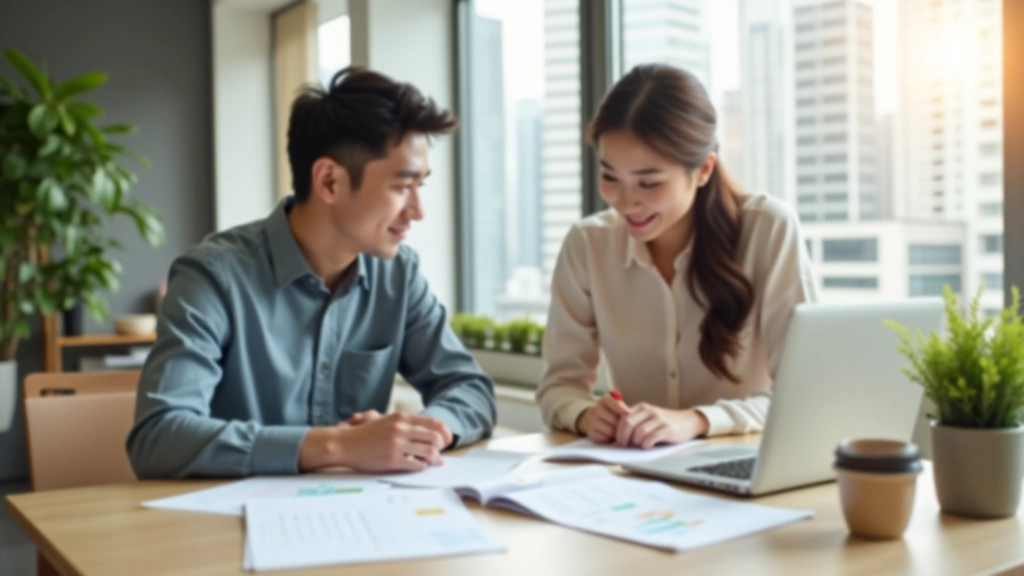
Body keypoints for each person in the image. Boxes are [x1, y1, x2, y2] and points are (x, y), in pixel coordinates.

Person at [128, 67, 496, 478]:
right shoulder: (213, 277)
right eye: (400, 187)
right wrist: (338, 445)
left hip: (355, 516)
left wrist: (425, 433)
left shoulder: (399, 275)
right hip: (226, 528)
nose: (418, 212)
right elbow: (158, 437)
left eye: (420, 186)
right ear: (329, 181)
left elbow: (470, 390)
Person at [536, 64, 817, 450]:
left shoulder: (769, 230)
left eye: (649, 183)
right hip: (635, 474)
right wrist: (585, 413)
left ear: (703, 170)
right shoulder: (588, 245)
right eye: (610, 177)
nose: (625, 201)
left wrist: (698, 421)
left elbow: (803, 397)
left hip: (745, 470)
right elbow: (558, 387)